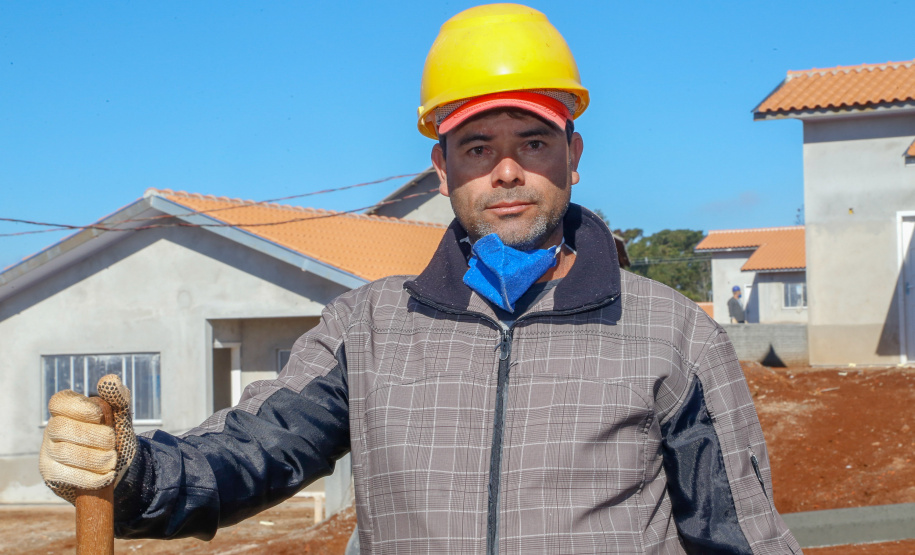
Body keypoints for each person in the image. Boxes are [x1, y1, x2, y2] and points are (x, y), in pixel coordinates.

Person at [38, 4, 802, 553]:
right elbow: (251, 452)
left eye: (533, 142)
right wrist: (132, 473)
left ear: (573, 155)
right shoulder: (365, 329)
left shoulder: (669, 332)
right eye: (476, 147)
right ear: (442, 169)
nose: (507, 169)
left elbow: (737, 534)